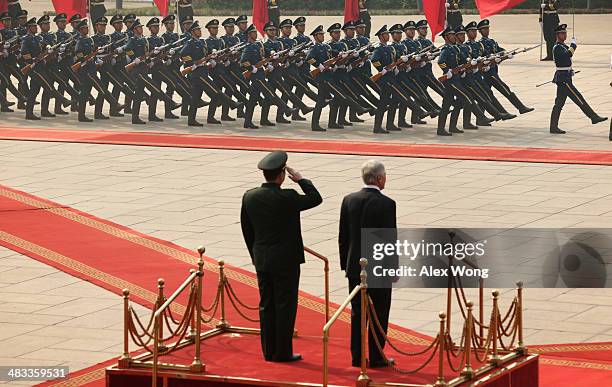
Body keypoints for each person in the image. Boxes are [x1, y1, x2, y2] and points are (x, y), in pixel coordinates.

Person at [240, 150, 323, 363]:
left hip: (263, 258)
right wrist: (302, 179)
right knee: (285, 305)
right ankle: (283, 351)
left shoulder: (249, 196)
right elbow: (316, 199)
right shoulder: (288, 197)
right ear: (282, 175)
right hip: (286, 260)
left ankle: (269, 350)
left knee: (266, 304)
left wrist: (255, 255)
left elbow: (247, 230)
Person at [338, 160, 397, 368]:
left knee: (357, 313)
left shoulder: (349, 200)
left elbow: (343, 236)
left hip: (355, 265)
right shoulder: (387, 203)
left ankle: (356, 356)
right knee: (379, 312)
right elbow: (389, 239)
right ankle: (377, 355)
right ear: (380, 178)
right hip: (378, 266)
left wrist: (346, 264)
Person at [549, 24, 607, 134]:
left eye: (565, 33)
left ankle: (553, 127)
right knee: (578, 98)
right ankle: (593, 117)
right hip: (563, 79)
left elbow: (566, 60)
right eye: (562, 33)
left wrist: (570, 70)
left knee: (559, 103)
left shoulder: (562, 46)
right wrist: (574, 45)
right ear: (557, 35)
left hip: (565, 77)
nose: (564, 35)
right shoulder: (557, 47)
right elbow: (568, 54)